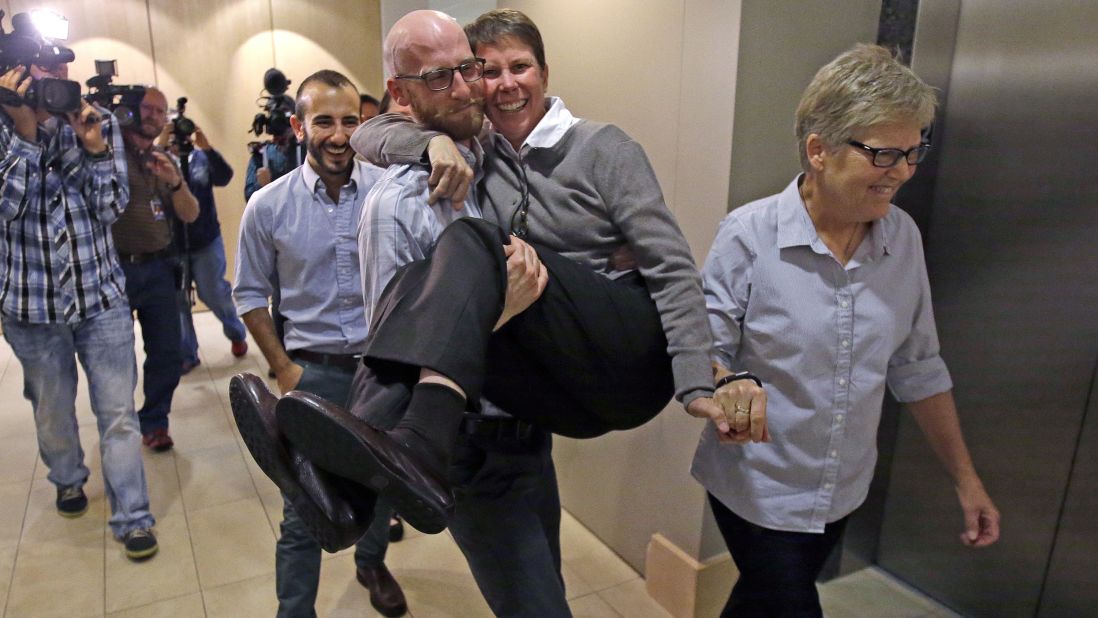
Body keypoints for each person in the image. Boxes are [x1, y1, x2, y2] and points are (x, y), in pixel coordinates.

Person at [237, 8, 757, 543]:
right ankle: (352, 494)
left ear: (545, 74)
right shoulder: (482, 150)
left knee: (475, 240)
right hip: (565, 384)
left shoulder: (602, 147)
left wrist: (700, 380)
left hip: (630, 352)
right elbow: (370, 133)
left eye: (521, 67)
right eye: (487, 70)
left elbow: (672, 267)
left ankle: (412, 446)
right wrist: (429, 143)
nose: (504, 83)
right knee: (428, 280)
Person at [692, 44, 1001, 617]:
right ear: (818, 151)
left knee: (761, 603)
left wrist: (967, 480)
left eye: (914, 152)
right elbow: (703, 346)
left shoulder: (900, 237)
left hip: (843, 486)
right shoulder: (749, 234)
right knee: (789, 604)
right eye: (885, 154)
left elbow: (918, 365)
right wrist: (726, 383)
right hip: (758, 487)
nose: (903, 172)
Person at [349, 12, 568, 615]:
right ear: (401, 92)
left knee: (548, 582)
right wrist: (499, 311)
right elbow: (393, 352)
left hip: (530, 428)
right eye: (441, 77)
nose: (469, 88)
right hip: (472, 445)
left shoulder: (494, 153)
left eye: (467, 68)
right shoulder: (395, 208)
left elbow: (369, 135)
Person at [232, 69, 407, 618]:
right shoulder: (267, 206)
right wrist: (282, 367)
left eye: (350, 121)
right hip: (313, 375)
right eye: (324, 121)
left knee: (382, 486)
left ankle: (372, 562)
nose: (338, 134)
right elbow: (249, 294)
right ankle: (295, 611)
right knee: (303, 507)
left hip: (383, 372)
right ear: (298, 125)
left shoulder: (391, 194)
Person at [0, 60, 158, 560]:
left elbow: (111, 206)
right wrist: (26, 136)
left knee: (118, 414)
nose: (47, 79)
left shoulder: (98, 122)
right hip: (30, 306)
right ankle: (67, 478)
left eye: (54, 68)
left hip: (101, 299)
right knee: (53, 412)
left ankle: (133, 516)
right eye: (33, 71)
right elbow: (5, 208)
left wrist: (91, 149)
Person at [113, 87, 199, 451]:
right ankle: (117, 424)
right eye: (147, 109)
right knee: (116, 358)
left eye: (160, 112)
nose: (153, 116)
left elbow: (190, 213)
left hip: (161, 269)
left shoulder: (165, 159)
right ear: (131, 111)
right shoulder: (108, 154)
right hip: (115, 272)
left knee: (167, 352)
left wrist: (175, 182)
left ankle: (154, 421)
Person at [158, 124, 248, 373]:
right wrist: (161, 145)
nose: (180, 139)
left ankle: (236, 332)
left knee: (214, 292)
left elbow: (224, 177)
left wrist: (207, 148)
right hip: (171, 243)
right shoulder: (158, 161)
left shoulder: (200, 158)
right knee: (178, 301)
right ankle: (187, 353)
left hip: (206, 238)